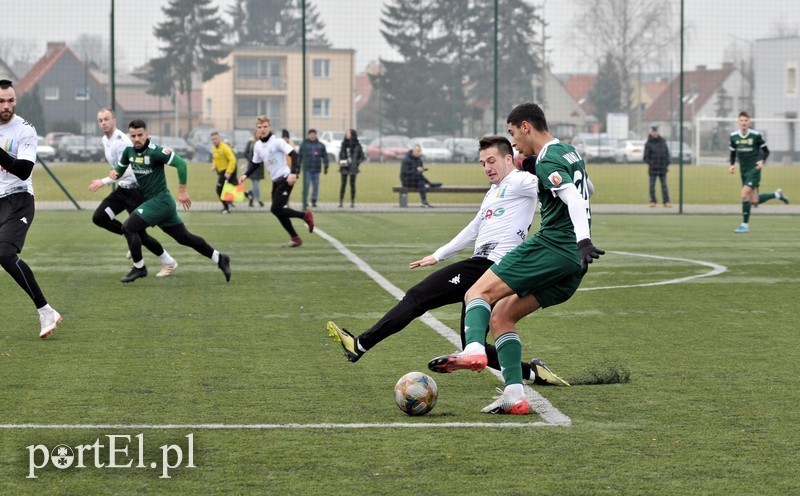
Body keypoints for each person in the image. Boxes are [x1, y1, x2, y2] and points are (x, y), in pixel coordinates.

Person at [327, 136, 567, 386]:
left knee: (417, 297)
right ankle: (534, 373)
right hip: (482, 266)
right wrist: (437, 255)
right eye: (483, 163)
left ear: (509, 159)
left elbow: (555, 184)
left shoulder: (521, 181)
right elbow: (474, 228)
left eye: (492, 160)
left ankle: (360, 345)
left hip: (492, 266)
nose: (487, 167)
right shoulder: (494, 190)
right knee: (473, 347)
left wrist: (538, 165)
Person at [428, 102, 604, 415]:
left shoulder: (548, 158)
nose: (513, 143)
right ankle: (514, 396)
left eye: (512, 133)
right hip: (573, 267)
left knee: (476, 292)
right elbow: (587, 187)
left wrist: (583, 241)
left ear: (526, 126)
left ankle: (473, 351)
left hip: (554, 247)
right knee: (502, 316)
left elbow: (574, 197)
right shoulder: (569, 151)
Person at [103, 119, 231, 283]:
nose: (136, 139)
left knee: (128, 227)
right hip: (157, 204)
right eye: (133, 135)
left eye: (140, 135)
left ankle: (139, 268)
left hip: (161, 201)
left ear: (146, 134)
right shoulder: (129, 152)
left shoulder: (156, 151)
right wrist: (110, 177)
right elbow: (119, 171)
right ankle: (220, 258)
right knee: (184, 238)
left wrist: (182, 190)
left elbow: (181, 163)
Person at [0, 79, 62, 338]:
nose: (6, 106)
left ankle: (46, 310)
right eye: (1, 101)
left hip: (19, 199)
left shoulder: (25, 129)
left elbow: (24, 170)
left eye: (11, 100)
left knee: (4, 254)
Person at [88, 108, 179, 277]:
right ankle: (131, 241)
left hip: (136, 192)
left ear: (114, 120)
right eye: (100, 120)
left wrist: (104, 181)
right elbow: (117, 167)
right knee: (99, 218)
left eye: (106, 119)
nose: (103, 123)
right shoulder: (104, 140)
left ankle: (168, 261)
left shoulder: (122, 142)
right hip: (122, 190)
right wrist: (114, 175)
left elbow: (131, 170)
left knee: (139, 234)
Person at [238, 116, 314, 248]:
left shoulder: (277, 142)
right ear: (256, 129)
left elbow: (295, 155)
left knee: (276, 208)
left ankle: (305, 215)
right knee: (277, 210)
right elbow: (255, 163)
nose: (263, 129)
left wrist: (293, 173)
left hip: (286, 178)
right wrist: (245, 175)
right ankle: (295, 238)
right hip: (276, 181)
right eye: (260, 127)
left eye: (265, 127)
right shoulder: (257, 146)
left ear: (270, 127)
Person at [729, 111, 789, 233]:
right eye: (741, 120)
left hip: (754, 170)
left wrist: (761, 161)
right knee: (754, 201)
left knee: (744, 194)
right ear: (738, 122)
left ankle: (744, 225)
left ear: (749, 122)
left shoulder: (756, 135)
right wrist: (732, 165)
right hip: (744, 171)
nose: (744, 123)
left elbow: (766, 151)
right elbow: (733, 152)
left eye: (746, 120)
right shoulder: (734, 136)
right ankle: (777, 195)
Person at [400, 144, 442, 208]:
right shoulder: (406, 159)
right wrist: (415, 170)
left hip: (416, 179)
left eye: (420, 151)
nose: (419, 152)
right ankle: (430, 184)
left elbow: (419, 172)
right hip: (406, 181)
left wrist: (421, 170)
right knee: (419, 176)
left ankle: (424, 202)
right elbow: (404, 173)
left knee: (420, 180)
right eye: (417, 151)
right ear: (413, 151)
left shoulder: (419, 160)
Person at [298, 129, 329, 208]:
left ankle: (314, 200)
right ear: (308, 135)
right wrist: (297, 167)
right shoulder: (304, 145)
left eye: (313, 134)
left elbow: (325, 156)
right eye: (311, 134)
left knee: (315, 185)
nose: (312, 136)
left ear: (316, 135)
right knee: (306, 184)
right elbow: (299, 157)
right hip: (306, 169)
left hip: (316, 169)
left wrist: (326, 166)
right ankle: (304, 200)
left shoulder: (320, 145)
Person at [643, 124, 671, 207]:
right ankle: (653, 201)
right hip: (653, 169)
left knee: (664, 185)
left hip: (662, 168)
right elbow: (645, 158)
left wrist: (666, 164)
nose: (655, 133)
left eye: (656, 131)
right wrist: (652, 164)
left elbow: (667, 154)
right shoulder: (648, 144)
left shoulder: (663, 142)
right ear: (651, 132)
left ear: (658, 132)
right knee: (652, 185)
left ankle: (666, 201)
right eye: (653, 131)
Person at [211, 131, 239, 214]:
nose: (214, 141)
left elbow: (232, 159)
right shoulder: (214, 148)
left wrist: (229, 171)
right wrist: (214, 165)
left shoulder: (225, 147)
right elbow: (215, 159)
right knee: (232, 187)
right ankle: (248, 194)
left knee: (219, 189)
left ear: (219, 138)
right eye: (212, 139)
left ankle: (226, 208)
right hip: (221, 171)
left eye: (215, 139)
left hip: (226, 171)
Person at [337, 129, 365, 208]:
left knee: (352, 185)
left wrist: (356, 163)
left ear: (352, 134)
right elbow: (341, 155)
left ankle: (352, 202)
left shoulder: (357, 146)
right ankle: (341, 202)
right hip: (344, 166)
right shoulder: (343, 144)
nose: (347, 134)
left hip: (353, 167)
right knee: (343, 184)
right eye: (346, 133)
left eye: (348, 133)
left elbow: (362, 157)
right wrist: (342, 162)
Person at [243, 130, 264, 208]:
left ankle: (250, 194)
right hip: (252, 167)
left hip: (259, 168)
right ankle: (260, 200)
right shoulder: (251, 143)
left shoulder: (262, 143)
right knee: (255, 184)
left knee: (256, 185)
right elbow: (245, 153)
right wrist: (251, 160)